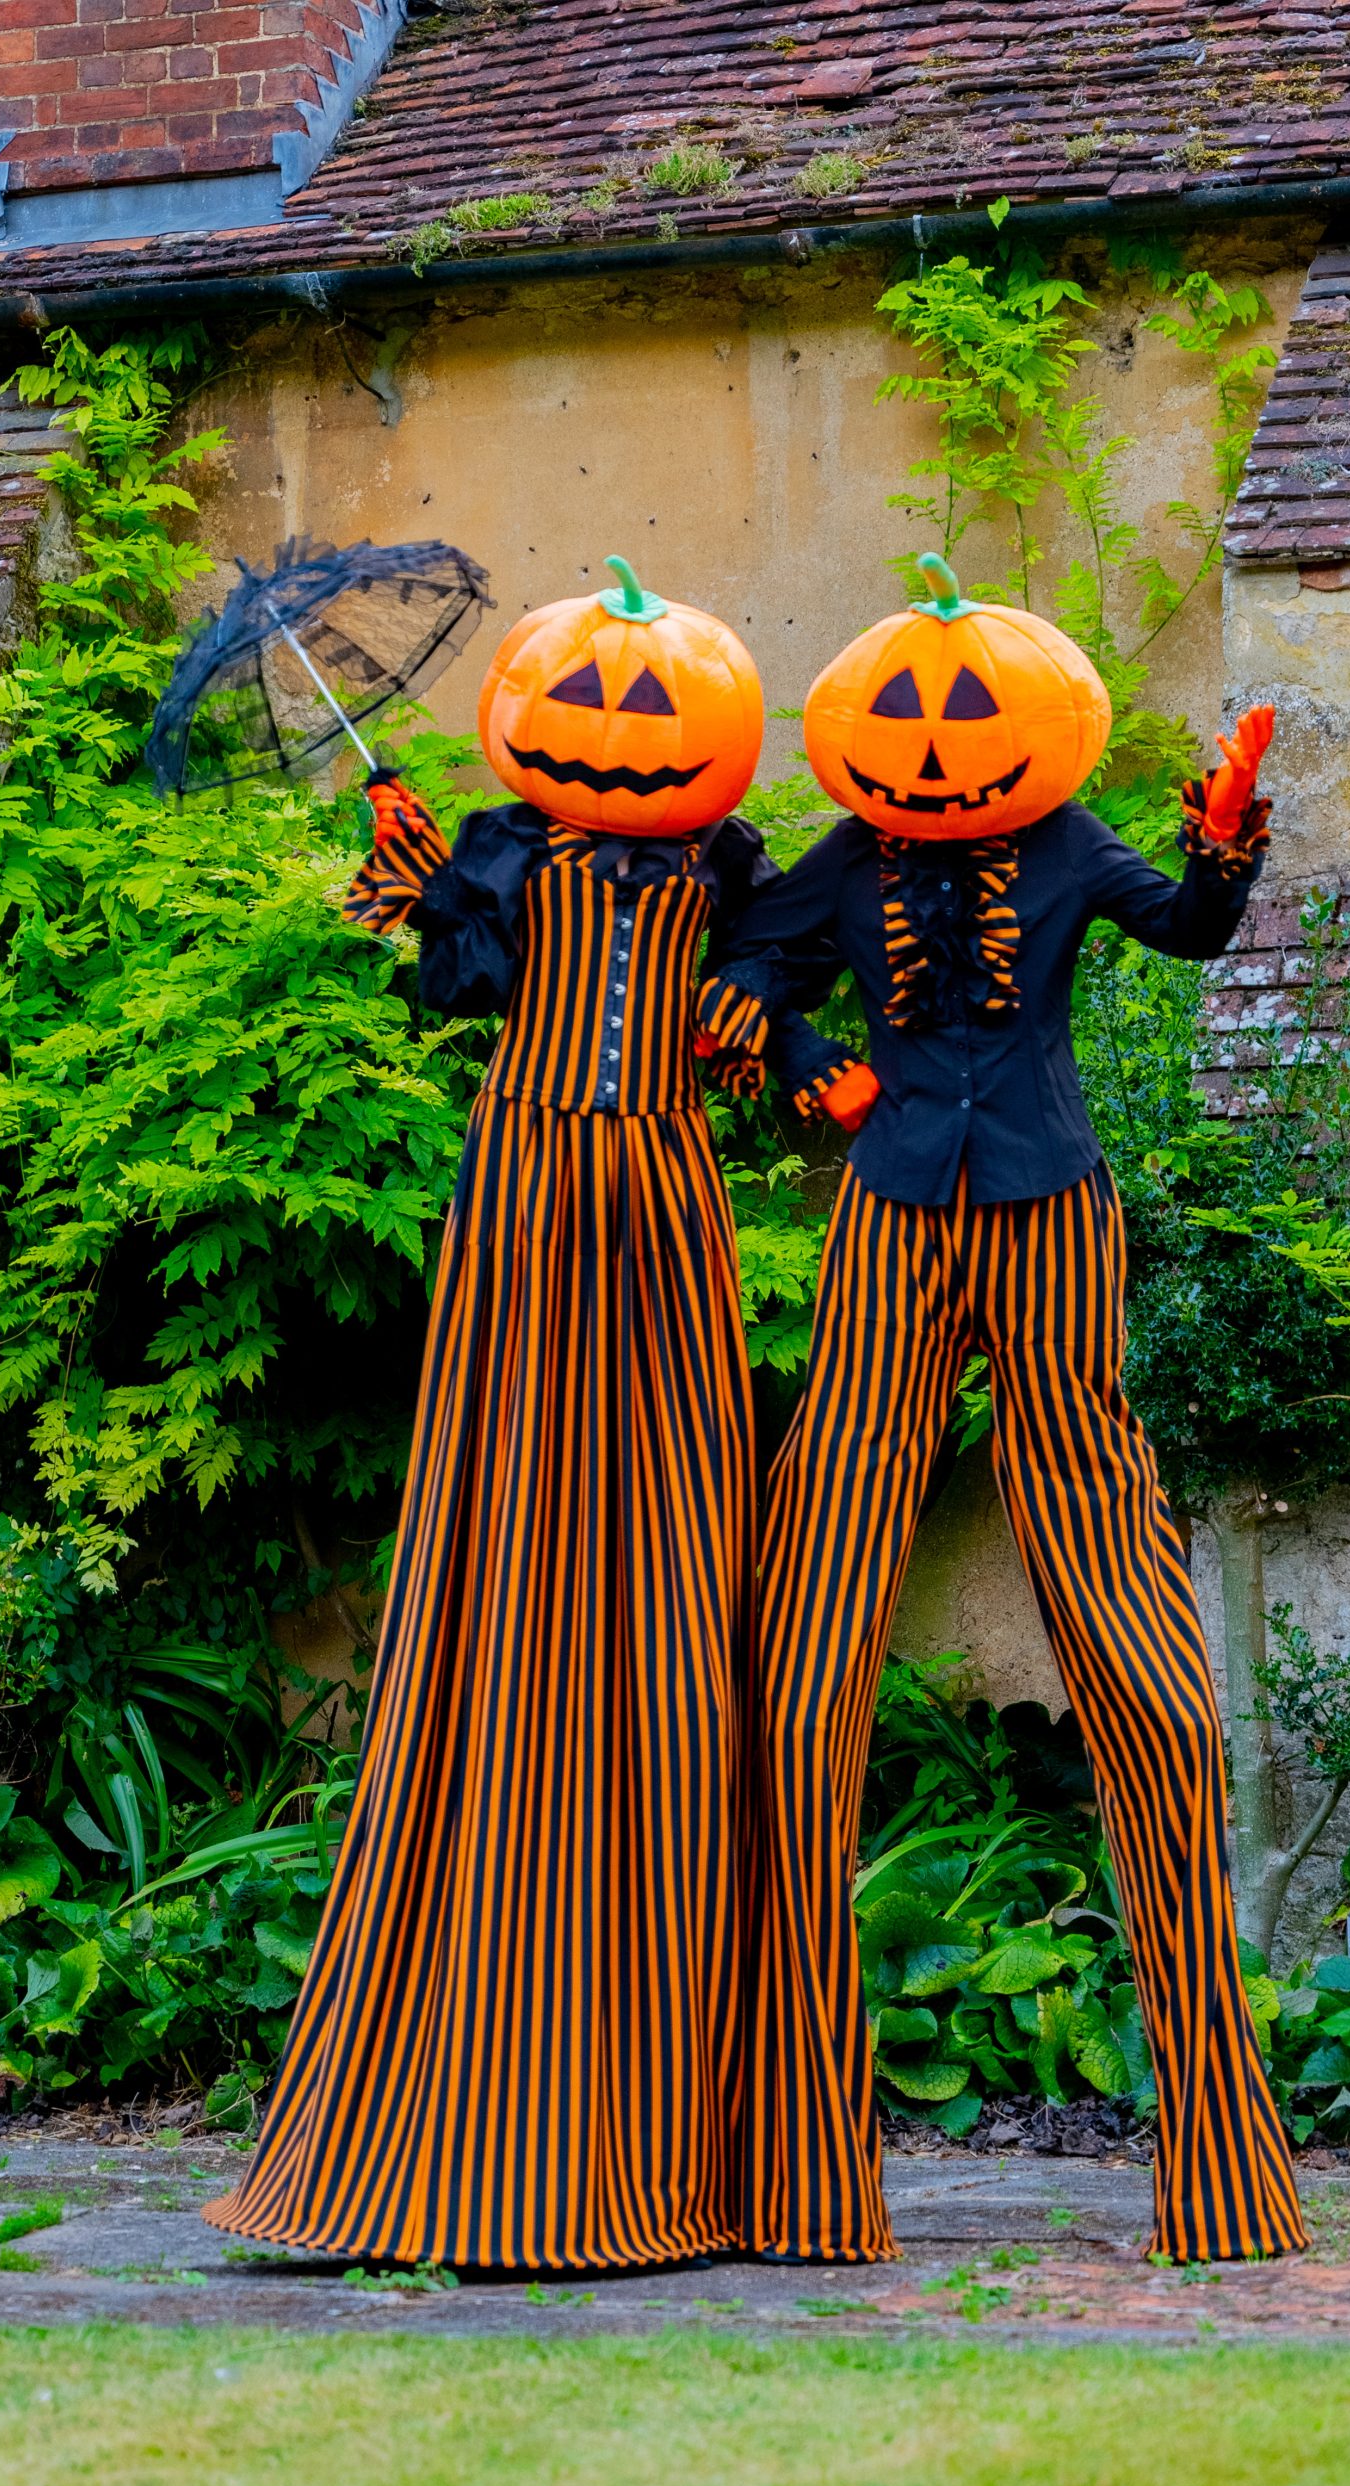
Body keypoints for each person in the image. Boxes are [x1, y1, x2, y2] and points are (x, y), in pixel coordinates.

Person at [206, 559, 837, 2274]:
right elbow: (467, 991)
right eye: (587, 707)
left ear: (716, 734)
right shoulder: (500, 849)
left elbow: (782, 966)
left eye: (652, 711)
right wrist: (420, 890)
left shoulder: (723, 863)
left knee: (676, 1507)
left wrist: (767, 1026)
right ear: (522, 721)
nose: (620, 737)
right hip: (532, 1179)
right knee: (517, 1484)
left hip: (669, 1194)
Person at [699, 555, 1307, 2268]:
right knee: (814, 1610)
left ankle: (1222, 2166)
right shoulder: (845, 861)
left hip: (1049, 1204)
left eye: (968, 715)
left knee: (1120, 1602)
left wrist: (1223, 845)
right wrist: (807, 1059)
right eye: (904, 718)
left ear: (1038, 728)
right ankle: (802, 2176)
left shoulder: (1065, 846)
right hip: (890, 1210)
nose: (939, 747)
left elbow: (1186, 937)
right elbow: (733, 974)